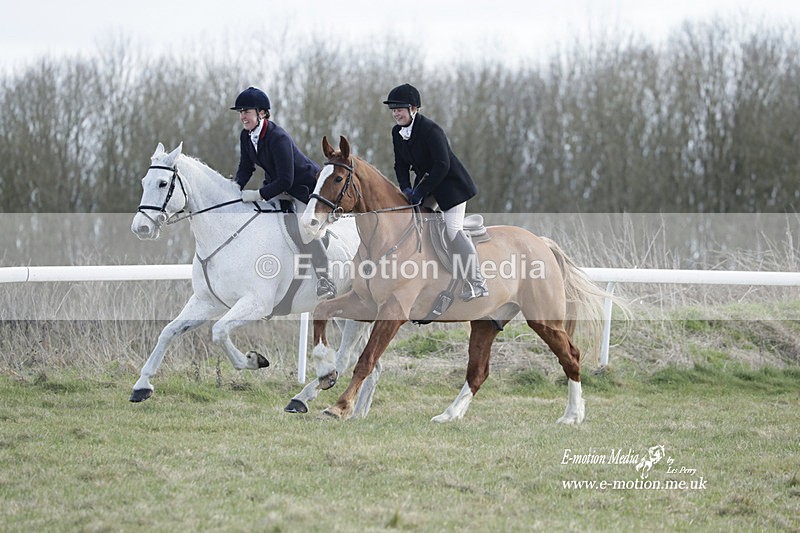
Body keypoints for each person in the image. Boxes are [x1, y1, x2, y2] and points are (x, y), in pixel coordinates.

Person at [383, 83, 488, 301]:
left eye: (399, 108)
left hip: (451, 187)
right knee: (412, 221)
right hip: (427, 185)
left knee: (452, 229)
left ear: (413, 108)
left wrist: (420, 190)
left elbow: (442, 165)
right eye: (392, 109)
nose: (395, 113)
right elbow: (399, 165)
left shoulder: (431, 130)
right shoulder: (397, 132)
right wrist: (405, 188)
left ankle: (478, 281)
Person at [231, 86, 337, 299]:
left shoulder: (278, 137)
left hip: (304, 189)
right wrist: (233, 189)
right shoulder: (246, 136)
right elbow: (246, 168)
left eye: (247, 111)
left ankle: (326, 279)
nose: (242, 116)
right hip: (279, 186)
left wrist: (258, 194)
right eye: (240, 112)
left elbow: (286, 179)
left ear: (261, 113)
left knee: (304, 228)